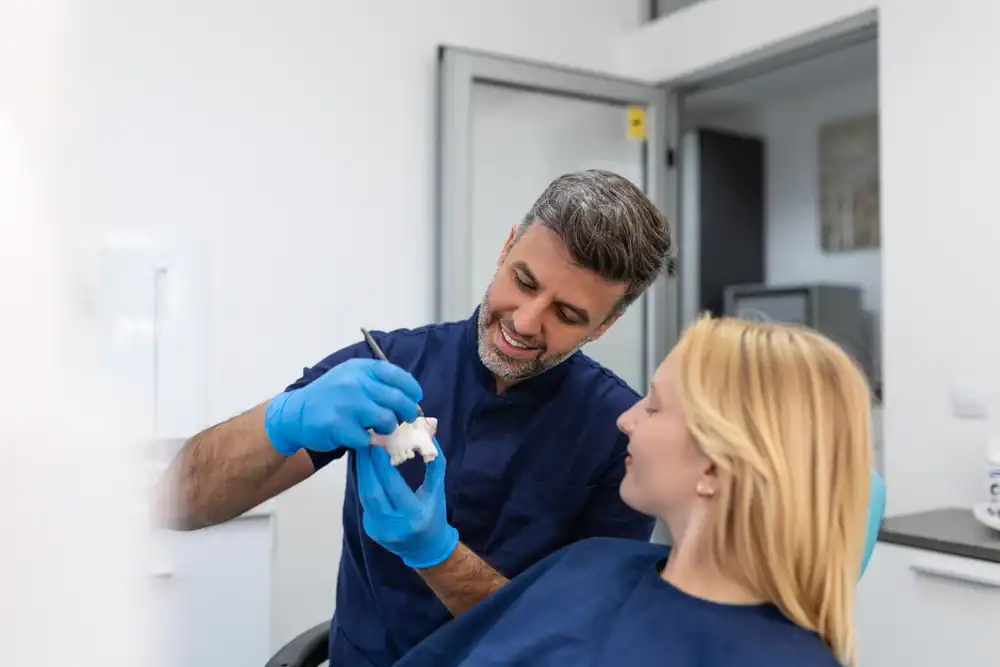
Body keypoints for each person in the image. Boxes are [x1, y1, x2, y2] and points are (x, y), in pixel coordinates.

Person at [155, 169, 673, 666]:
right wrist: (283, 420)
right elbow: (181, 504)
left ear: (606, 324)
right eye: (523, 280)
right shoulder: (389, 365)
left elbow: (578, 646)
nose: (524, 321)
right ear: (507, 246)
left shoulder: (620, 435)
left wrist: (437, 554)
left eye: (567, 314)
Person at [356, 315, 874, 667]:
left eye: (654, 406)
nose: (626, 418)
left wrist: (433, 549)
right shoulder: (591, 562)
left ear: (715, 467)